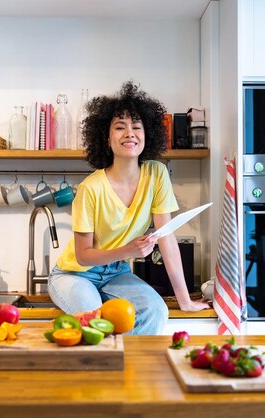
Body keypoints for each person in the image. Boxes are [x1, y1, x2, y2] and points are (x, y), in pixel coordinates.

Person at [48, 81, 210, 335]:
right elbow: (83, 256)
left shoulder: (156, 174)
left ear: (148, 134)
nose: (130, 133)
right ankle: (106, 371)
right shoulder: (91, 188)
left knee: (155, 311)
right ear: (107, 137)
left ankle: (132, 372)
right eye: (120, 127)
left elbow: (166, 238)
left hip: (116, 273)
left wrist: (185, 300)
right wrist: (128, 250)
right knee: (94, 320)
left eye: (136, 126)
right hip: (75, 275)